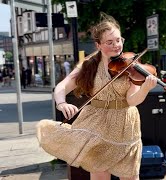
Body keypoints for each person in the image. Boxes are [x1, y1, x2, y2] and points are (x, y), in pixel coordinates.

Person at [36, 13, 157, 180]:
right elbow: (62, 86)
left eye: (118, 40)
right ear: (98, 45)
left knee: (130, 175)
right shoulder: (89, 65)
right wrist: (61, 103)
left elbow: (131, 100)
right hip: (97, 122)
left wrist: (144, 89)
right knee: (99, 175)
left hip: (125, 124)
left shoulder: (130, 65)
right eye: (109, 42)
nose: (116, 45)